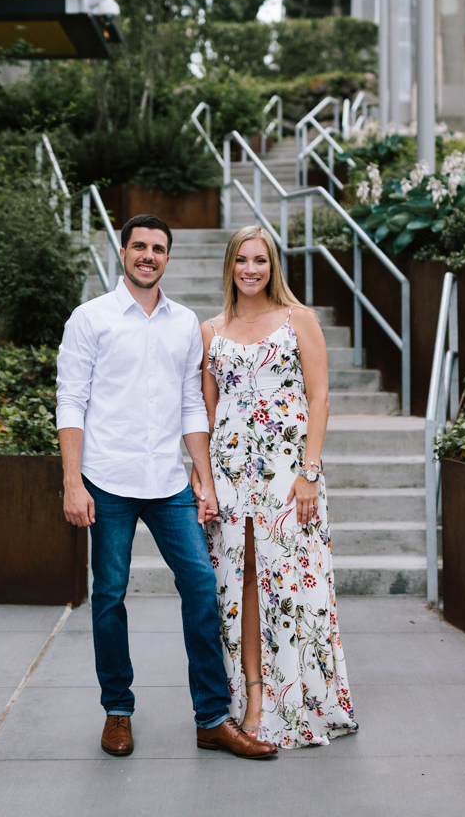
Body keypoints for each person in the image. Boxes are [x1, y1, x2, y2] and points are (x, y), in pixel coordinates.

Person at [56, 214, 277, 761]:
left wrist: (202, 477)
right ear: (124, 252)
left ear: (168, 258)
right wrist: (71, 482)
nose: (148, 255)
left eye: (158, 248)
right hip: (106, 480)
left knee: (201, 585)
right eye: (139, 247)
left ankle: (210, 718)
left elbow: (190, 405)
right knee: (109, 595)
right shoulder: (90, 319)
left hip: (168, 480)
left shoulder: (184, 324)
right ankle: (117, 711)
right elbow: (70, 402)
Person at [196, 225, 357, 748]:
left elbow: (321, 397)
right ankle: (253, 698)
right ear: (230, 265)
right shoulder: (210, 330)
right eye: (241, 259)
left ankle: (300, 698)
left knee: (288, 581)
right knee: (238, 585)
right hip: (228, 472)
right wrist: (203, 480)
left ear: (273, 266)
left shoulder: (298, 319)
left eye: (260, 260)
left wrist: (309, 472)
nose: (250, 269)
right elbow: (207, 409)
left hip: (288, 475)